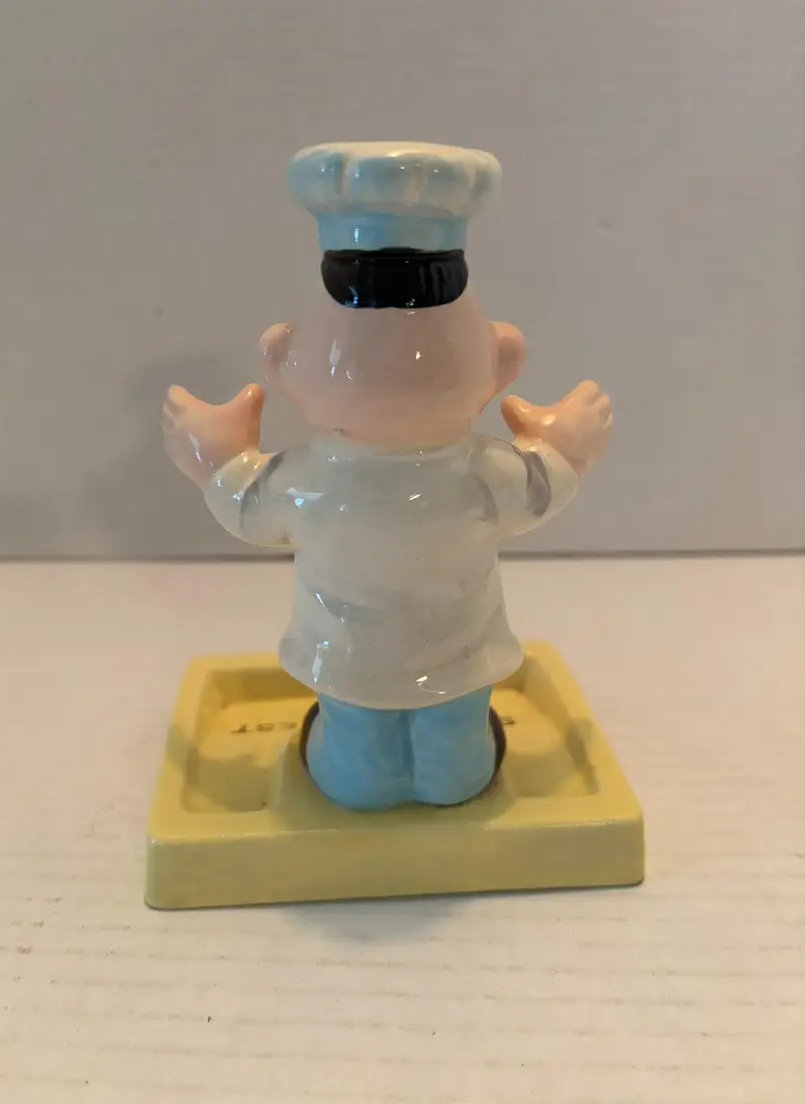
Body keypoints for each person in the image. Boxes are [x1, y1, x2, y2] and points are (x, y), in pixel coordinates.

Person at [162, 142, 612, 811]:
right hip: (457, 660)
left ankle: (367, 776)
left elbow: (247, 505)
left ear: (283, 362)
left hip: (350, 662)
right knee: (452, 741)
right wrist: (568, 447)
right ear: (498, 363)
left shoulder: (308, 480)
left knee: (358, 752)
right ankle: (449, 773)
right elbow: (541, 487)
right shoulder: (483, 473)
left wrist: (214, 457)